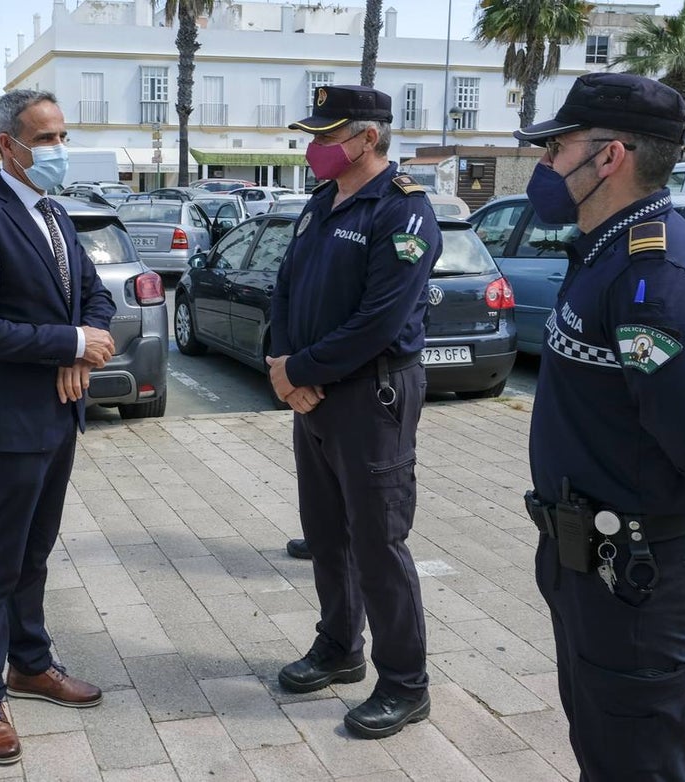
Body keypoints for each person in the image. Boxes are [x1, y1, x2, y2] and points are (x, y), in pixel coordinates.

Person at [517, 72, 685, 779]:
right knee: (605, 749)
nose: (545, 164)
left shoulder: (653, 275)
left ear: (610, 157)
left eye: (556, 148)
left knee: (637, 763)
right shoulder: (606, 251)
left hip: (636, 568)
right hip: (588, 554)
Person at [0, 89, 117, 765]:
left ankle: (30, 663)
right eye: (45, 139)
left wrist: (81, 346)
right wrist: (70, 343)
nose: (58, 149)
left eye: (62, 136)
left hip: (59, 412)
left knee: (35, 553)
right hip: (9, 422)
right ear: (6, 145)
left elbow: (93, 296)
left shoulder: (54, 212)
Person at [268, 85, 442, 739]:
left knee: (378, 542)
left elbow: (379, 321)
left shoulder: (402, 211)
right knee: (325, 532)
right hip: (313, 394)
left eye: (327, 134)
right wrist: (283, 365)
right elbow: (286, 287)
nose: (315, 147)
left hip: (373, 396)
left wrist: (301, 372)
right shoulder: (322, 201)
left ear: (368, 138)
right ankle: (340, 646)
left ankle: (405, 684)